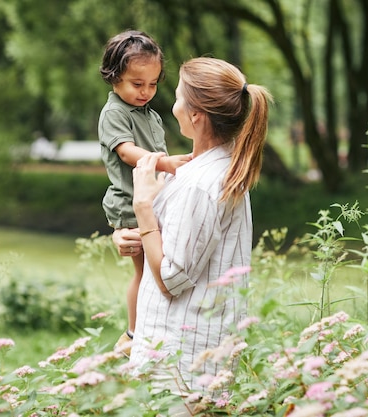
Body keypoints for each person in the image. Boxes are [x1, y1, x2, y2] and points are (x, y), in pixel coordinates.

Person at [112, 57, 272, 398]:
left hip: (182, 365)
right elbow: (175, 245)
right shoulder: (203, 171)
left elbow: (171, 279)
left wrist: (142, 208)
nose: (173, 106)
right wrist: (134, 235)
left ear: (196, 114)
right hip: (181, 355)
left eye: (179, 96)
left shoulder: (202, 183)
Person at [98, 30, 190, 355]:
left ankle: (150, 329)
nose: (146, 92)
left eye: (153, 84)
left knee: (157, 270)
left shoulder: (149, 114)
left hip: (153, 200)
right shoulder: (114, 113)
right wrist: (166, 164)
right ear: (114, 76)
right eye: (137, 84)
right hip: (130, 204)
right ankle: (134, 332)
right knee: (145, 272)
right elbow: (126, 152)